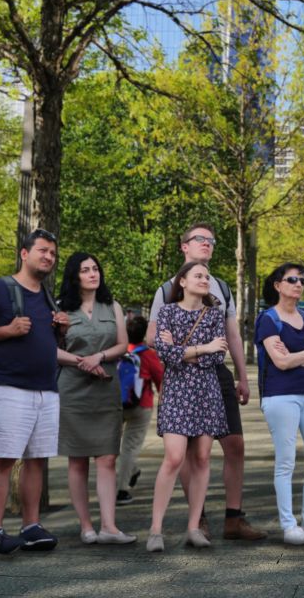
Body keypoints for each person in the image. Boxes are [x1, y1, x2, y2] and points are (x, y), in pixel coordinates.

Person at [146, 223, 264, 540]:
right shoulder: (166, 290)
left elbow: (231, 336)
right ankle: (198, 519)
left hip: (215, 374)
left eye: (211, 240)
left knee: (235, 444)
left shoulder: (222, 288)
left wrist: (242, 375)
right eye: (200, 239)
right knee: (185, 451)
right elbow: (152, 337)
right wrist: (182, 350)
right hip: (182, 376)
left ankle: (234, 518)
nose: (207, 244)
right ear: (183, 246)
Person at [0, 229, 70, 555]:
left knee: (37, 460)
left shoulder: (47, 295)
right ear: (24, 253)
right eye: (42, 251)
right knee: (3, 459)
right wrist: (7, 330)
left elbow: (49, 345)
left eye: (53, 254)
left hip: (46, 389)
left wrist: (62, 331)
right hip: (8, 387)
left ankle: (31, 526)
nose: (48, 257)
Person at [148, 261, 230, 552]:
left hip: (206, 391)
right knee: (174, 457)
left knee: (204, 458)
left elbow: (217, 357)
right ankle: (155, 529)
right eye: (198, 275)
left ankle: (194, 527)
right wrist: (201, 348)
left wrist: (187, 352)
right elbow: (165, 354)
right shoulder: (167, 312)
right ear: (182, 281)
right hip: (177, 391)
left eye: (207, 276)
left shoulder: (213, 314)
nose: (205, 279)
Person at [55, 252, 135, 545]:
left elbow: (123, 344)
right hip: (73, 391)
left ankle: (109, 527)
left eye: (95, 269)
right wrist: (81, 361)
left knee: (108, 458)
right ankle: (86, 526)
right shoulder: (60, 309)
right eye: (85, 270)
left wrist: (99, 356)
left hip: (106, 389)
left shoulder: (112, 306)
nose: (93, 274)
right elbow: (50, 349)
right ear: (74, 276)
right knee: (77, 461)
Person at [256, 263, 304, 545]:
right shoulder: (268, 319)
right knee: (286, 462)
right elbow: (280, 362)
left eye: (302, 279)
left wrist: (302, 354)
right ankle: (289, 526)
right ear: (278, 285)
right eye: (292, 279)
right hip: (280, 395)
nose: (299, 283)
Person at [116, 315, 164, 505]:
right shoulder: (148, 355)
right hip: (141, 405)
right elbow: (161, 381)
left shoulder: (118, 352)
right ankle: (122, 489)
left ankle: (131, 471)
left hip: (115, 405)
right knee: (130, 448)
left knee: (111, 445)